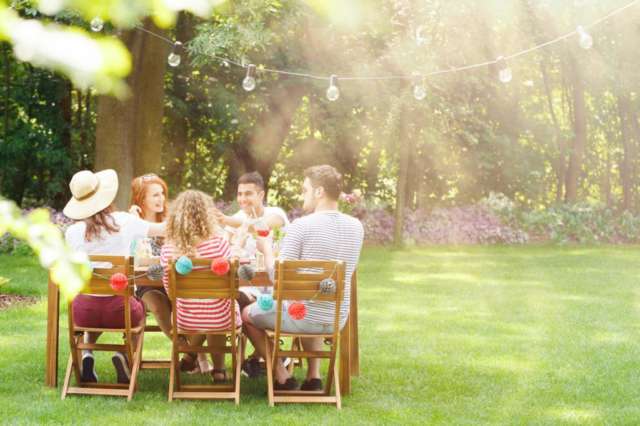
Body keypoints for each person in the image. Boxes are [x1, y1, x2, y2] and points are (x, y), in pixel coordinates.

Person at [241, 165, 364, 391]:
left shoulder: (301, 226)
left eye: (305, 190)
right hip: (336, 317)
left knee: (246, 314)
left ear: (319, 192)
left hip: (303, 316)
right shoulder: (356, 227)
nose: (302, 195)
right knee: (310, 302)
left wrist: (267, 249)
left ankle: (281, 376)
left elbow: (279, 278)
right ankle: (313, 377)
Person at [63, 169, 165, 384]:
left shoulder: (71, 233)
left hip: (82, 313)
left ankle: (87, 355)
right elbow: (162, 229)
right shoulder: (124, 221)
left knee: (96, 303)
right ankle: (124, 356)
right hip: (120, 312)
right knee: (139, 311)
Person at [160, 190, 241, 382]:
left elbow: (170, 292)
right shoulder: (219, 245)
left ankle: (190, 354)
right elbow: (231, 286)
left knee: (206, 309)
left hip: (185, 319)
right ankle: (219, 370)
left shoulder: (168, 249)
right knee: (217, 308)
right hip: (222, 319)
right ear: (207, 215)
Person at [215, 171, 289, 308]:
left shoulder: (276, 214)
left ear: (261, 195)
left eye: (248, 193)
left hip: (275, 285)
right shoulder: (238, 217)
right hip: (248, 284)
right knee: (236, 297)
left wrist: (228, 220)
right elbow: (223, 249)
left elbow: (262, 227)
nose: (243, 199)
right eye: (240, 194)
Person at [128, 174, 172, 339]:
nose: (161, 199)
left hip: (173, 281)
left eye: (162, 194)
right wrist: (134, 222)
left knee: (191, 305)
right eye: (155, 195)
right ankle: (188, 351)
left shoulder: (169, 221)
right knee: (158, 305)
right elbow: (133, 255)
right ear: (141, 199)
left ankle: (196, 357)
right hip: (145, 284)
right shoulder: (131, 223)